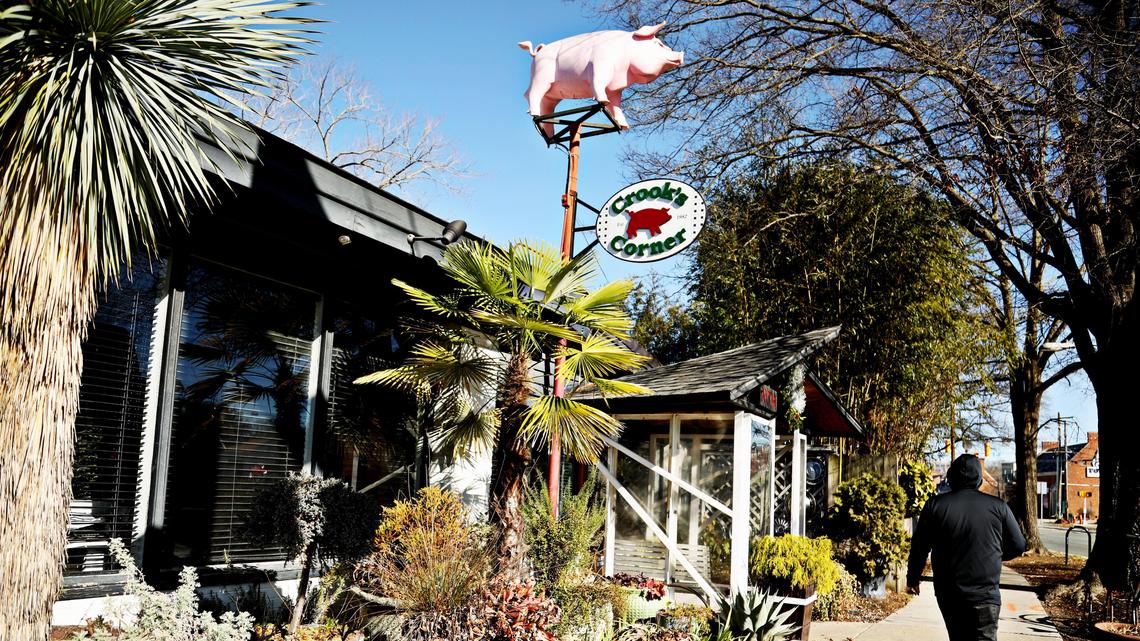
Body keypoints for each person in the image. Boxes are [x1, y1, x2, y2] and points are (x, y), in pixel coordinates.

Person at [906, 454, 1026, 641]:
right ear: (979, 478)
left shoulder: (935, 506)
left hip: (949, 593)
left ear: (951, 477)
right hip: (986, 594)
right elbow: (1019, 545)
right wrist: (995, 555)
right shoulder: (998, 507)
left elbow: (920, 546)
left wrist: (912, 578)